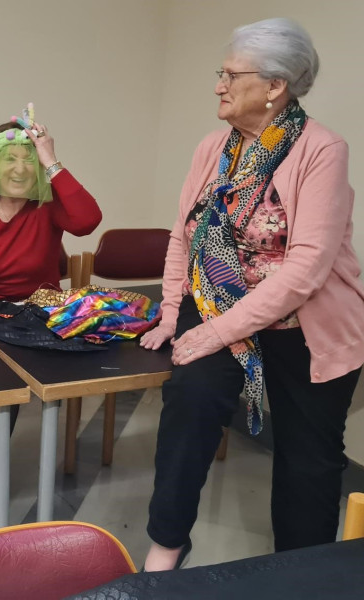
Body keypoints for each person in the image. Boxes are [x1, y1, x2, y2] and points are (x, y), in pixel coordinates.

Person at [139, 18, 364, 571]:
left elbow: (307, 268)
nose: (218, 85)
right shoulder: (213, 147)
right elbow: (183, 234)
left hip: (305, 323)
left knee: (309, 461)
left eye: (230, 74)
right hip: (216, 302)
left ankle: (299, 571)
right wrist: (173, 312)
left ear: (274, 86)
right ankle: (166, 547)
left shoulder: (322, 150)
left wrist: (214, 331)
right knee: (189, 404)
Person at [0, 114, 102, 519]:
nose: (18, 168)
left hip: (35, 312)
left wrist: (52, 160)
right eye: (9, 159)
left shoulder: (46, 205)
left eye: (27, 159)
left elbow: (87, 220)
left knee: (5, 386)